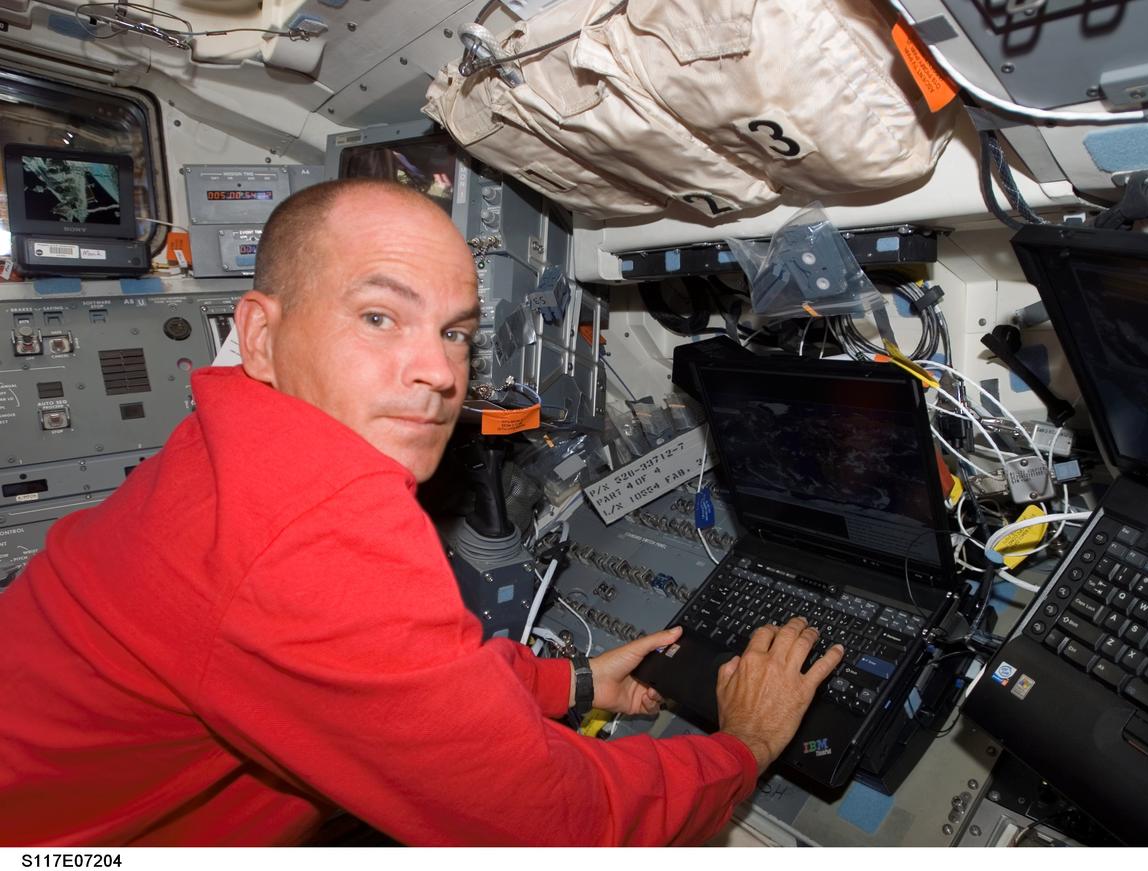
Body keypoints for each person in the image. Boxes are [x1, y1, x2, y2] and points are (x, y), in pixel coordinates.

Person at [0, 179, 843, 846]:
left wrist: (572, 681)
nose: (440, 372)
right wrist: (746, 744)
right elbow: (557, 824)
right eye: (380, 317)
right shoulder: (316, 524)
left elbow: (407, 674)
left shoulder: (233, 437)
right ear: (259, 335)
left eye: (455, 333)